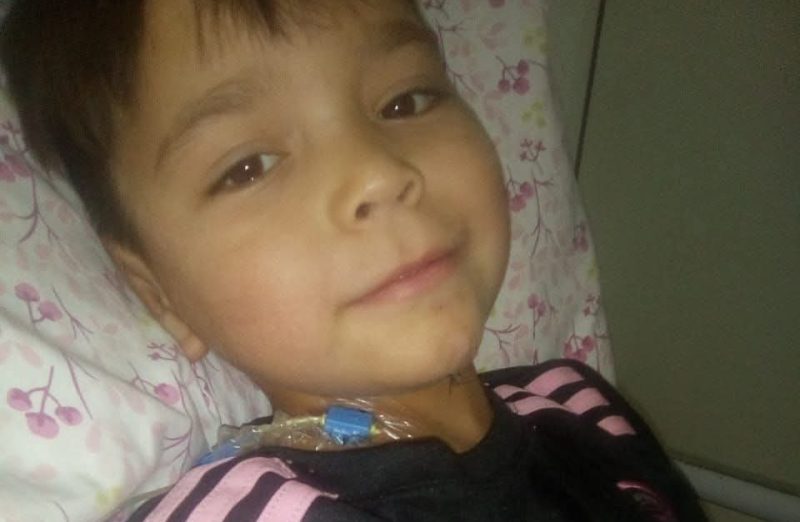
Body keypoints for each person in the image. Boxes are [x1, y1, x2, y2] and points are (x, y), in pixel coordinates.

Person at [0, 0, 707, 520]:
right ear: (161, 294)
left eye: (407, 100)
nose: (377, 173)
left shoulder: (582, 408)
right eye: (249, 167)